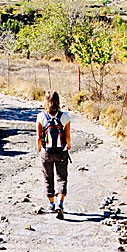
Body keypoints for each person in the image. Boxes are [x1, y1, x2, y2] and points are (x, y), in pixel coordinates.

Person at [36, 90, 71, 219]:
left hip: (47, 152)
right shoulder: (65, 116)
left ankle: (51, 204)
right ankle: (60, 204)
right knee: (62, 178)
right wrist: (68, 145)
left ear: (45, 102)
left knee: (48, 178)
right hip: (61, 152)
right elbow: (67, 136)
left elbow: (39, 138)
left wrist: (40, 150)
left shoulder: (41, 116)